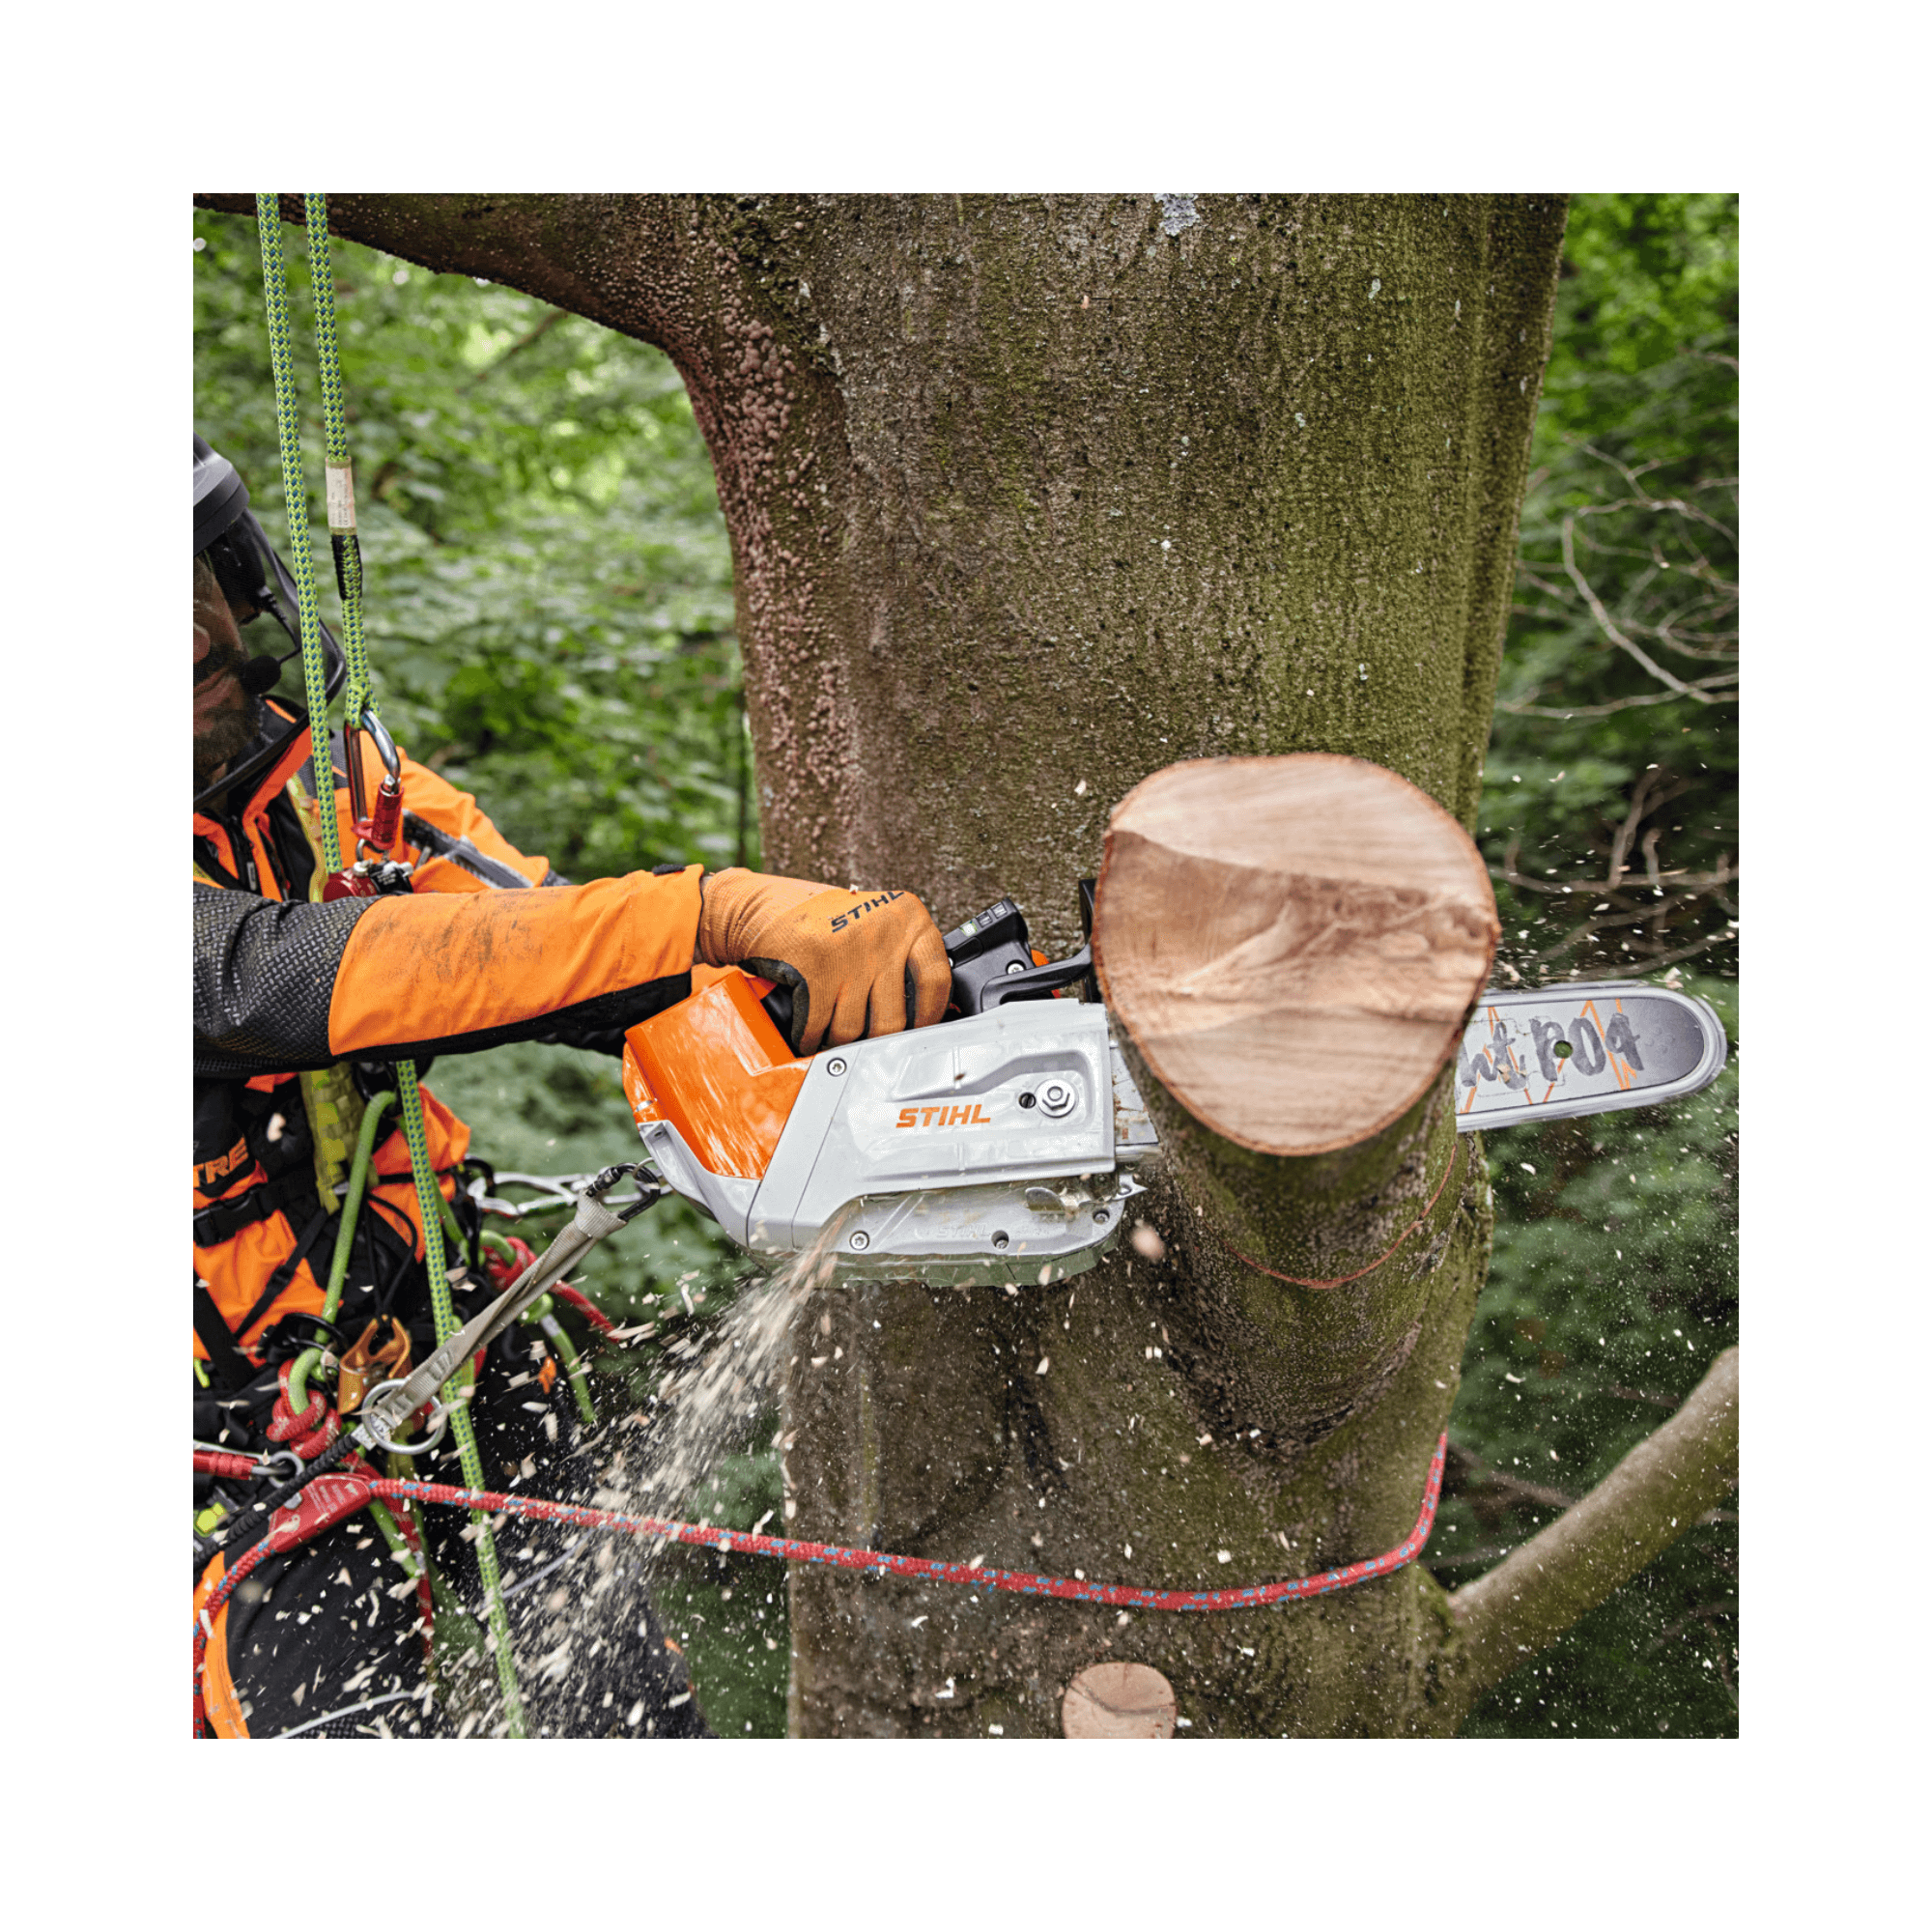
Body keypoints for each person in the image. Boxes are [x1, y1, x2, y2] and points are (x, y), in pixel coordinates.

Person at [192, 434, 949, 1736]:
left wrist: (828, 1000)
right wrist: (705, 909)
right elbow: (268, 979)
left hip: (436, 1338)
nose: (190, 653)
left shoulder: (330, 781)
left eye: (195, 611)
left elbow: (539, 949)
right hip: (223, 1443)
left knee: (632, 1718)